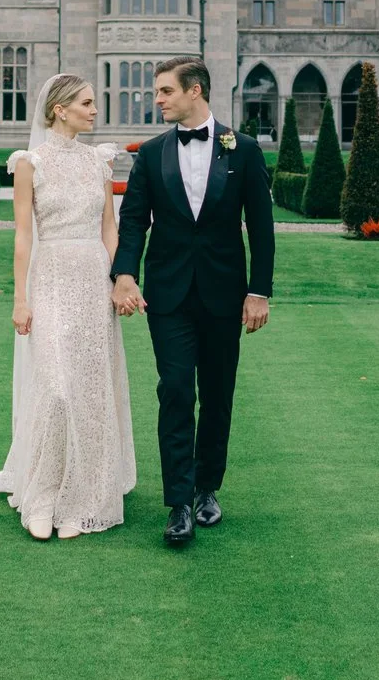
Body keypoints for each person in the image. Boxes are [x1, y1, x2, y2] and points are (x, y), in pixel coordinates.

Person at [111, 55, 275, 548]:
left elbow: (262, 229)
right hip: (169, 295)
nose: (156, 99)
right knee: (177, 390)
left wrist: (259, 291)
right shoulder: (152, 153)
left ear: (195, 90)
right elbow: (134, 220)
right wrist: (123, 274)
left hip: (227, 295)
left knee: (218, 394)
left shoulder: (242, 149)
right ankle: (178, 502)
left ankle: (208, 490)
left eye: (164, 91)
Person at [0, 73, 136, 539]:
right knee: (54, 389)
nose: (94, 110)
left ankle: (83, 498)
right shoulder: (30, 162)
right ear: (59, 109)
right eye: (87, 103)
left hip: (93, 280)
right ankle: (43, 496)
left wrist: (121, 282)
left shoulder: (99, 162)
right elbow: (23, 235)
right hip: (49, 278)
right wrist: (20, 298)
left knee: (90, 391)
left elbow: (110, 229)